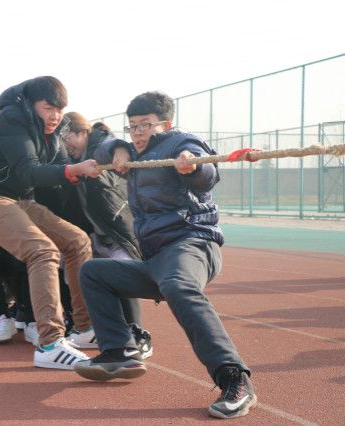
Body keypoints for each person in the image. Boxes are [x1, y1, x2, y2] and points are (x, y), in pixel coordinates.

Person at [74, 91, 256, 419]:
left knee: (177, 285)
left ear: (165, 124)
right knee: (93, 272)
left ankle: (234, 378)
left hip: (193, 245)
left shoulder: (180, 143)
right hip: (156, 259)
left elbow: (207, 172)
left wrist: (191, 166)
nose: (139, 133)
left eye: (145, 125)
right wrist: (115, 148)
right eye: (132, 127)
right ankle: (119, 352)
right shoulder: (130, 151)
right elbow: (99, 144)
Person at [0, 76, 101, 370]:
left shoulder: (51, 132)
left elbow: (59, 173)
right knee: (42, 251)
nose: (55, 116)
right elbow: (30, 171)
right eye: (48, 108)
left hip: (16, 199)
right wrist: (71, 169)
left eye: (60, 109)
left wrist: (105, 164)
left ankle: (84, 330)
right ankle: (50, 344)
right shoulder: (12, 120)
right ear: (31, 105)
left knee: (78, 240)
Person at [60, 113, 151, 357]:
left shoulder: (99, 148)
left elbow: (108, 142)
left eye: (70, 140)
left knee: (123, 276)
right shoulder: (73, 159)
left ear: (83, 133)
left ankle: (138, 334)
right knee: (75, 273)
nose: (68, 148)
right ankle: (100, 332)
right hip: (96, 234)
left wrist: (119, 147)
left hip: (118, 230)